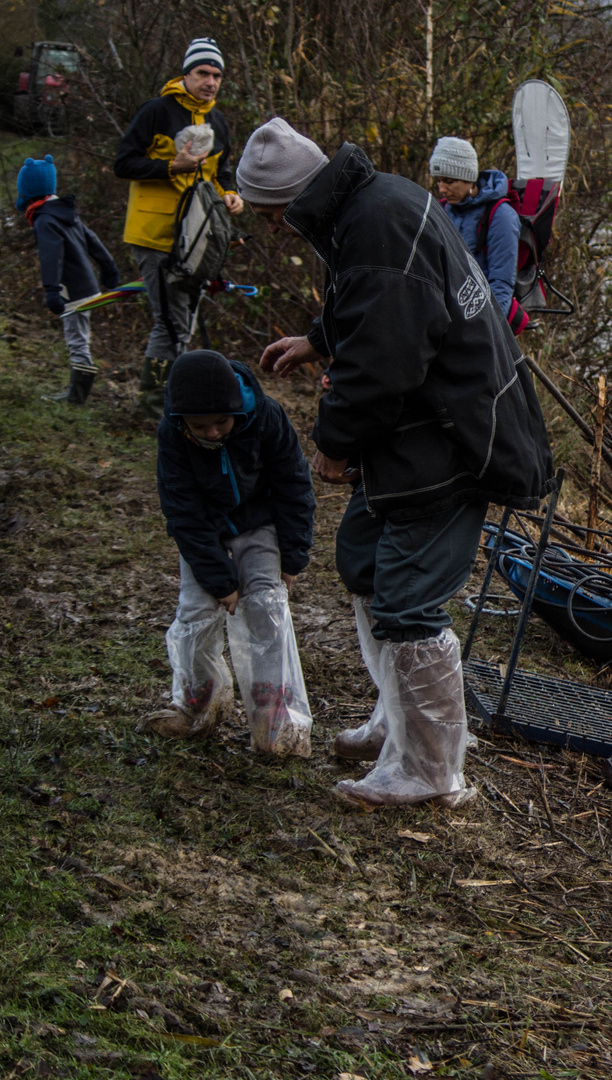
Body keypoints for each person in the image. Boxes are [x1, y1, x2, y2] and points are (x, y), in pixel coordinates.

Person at [240, 118, 553, 808]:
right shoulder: (373, 201)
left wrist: (333, 441)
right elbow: (382, 306)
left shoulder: (375, 225)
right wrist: (319, 338)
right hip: (420, 428)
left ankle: (431, 767)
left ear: (292, 198)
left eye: (269, 215)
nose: (271, 228)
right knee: (361, 561)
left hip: (452, 436)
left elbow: (385, 361)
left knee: (409, 598)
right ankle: (396, 720)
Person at [141, 350, 316, 758]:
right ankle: (196, 705)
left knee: (267, 609)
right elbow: (182, 511)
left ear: (236, 408)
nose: (214, 432)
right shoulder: (172, 434)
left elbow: (294, 483)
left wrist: (292, 556)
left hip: (260, 526)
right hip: (207, 530)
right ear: (181, 420)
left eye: (222, 422)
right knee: (196, 611)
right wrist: (219, 581)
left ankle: (276, 719)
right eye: (200, 426)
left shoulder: (266, 417)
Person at [113, 37, 245, 415]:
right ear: (185, 74)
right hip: (154, 236)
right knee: (170, 323)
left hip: (199, 241)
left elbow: (222, 173)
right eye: (203, 73)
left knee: (181, 323)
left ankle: (168, 400)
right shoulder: (157, 111)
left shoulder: (218, 120)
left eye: (217, 75)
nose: (211, 81)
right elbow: (124, 163)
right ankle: (153, 404)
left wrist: (232, 194)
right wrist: (170, 167)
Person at [17, 154, 120, 404]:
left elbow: (52, 256)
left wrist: (51, 288)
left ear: (27, 193)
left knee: (77, 340)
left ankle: (76, 397)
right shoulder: (65, 212)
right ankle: (76, 393)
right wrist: (109, 267)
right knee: (79, 336)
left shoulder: (44, 220)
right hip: (88, 285)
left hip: (72, 291)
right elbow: (92, 239)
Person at [428, 136, 521, 315]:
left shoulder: (501, 216)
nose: (442, 189)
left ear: (469, 179)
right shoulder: (441, 209)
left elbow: (501, 283)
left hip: (480, 319)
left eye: (449, 181)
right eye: (438, 181)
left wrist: (491, 332)